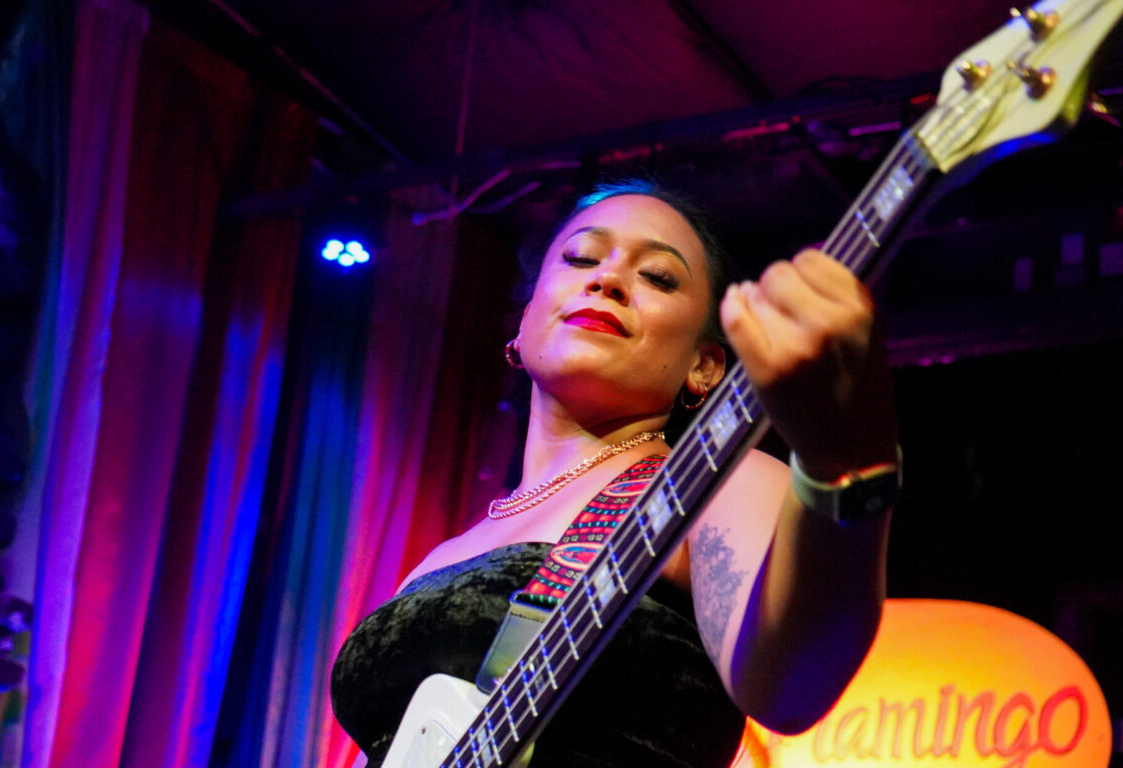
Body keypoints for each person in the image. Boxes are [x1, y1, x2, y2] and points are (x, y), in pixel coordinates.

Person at [330, 179, 899, 767]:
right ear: (524, 323)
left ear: (704, 366)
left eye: (657, 277)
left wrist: (845, 461)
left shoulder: (717, 486)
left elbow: (790, 685)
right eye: (580, 258)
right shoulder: (442, 556)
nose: (606, 280)